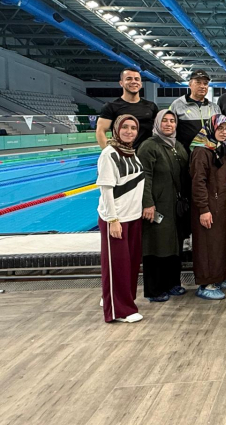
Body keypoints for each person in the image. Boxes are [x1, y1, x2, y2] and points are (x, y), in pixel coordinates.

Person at [96, 114, 145, 323]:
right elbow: (106, 189)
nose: (129, 131)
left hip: (133, 216)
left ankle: (121, 300)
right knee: (117, 266)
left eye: (133, 128)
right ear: (116, 129)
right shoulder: (109, 154)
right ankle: (119, 311)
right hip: (117, 219)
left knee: (129, 265)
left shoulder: (131, 152)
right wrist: (113, 220)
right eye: (125, 127)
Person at [137, 110, 189, 303]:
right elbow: (144, 177)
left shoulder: (177, 146)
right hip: (157, 205)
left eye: (172, 121)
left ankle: (172, 283)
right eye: (164, 121)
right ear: (157, 123)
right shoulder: (149, 146)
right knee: (155, 246)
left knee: (173, 245)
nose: (168, 124)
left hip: (175, 206)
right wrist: (148, 203)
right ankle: (154, 290)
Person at [190, 114, 226, 300]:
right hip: (207, 207)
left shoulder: (219, 149)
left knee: (218, 244)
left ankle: (218, 277)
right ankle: (205, 283)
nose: (224, 132)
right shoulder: (201, 151)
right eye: (220, 128)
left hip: (220, 205)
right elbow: (198, 182)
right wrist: (203, 209)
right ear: (210, 129)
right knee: (207, 245)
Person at [97, 68, 159, 150]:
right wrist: (109, 153)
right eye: (129, 79)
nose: (133, 81)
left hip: (147, 154)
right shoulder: (111, 106)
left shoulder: (151, 106)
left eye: (137, 79)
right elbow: (100, 131)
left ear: (141, 84)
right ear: (121, 83)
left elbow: (159, 130)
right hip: (123, 154)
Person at [170, 70, 221, 152]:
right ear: (190, 85)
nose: (202, 86)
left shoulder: (214, 108)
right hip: (185, 154)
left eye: (205, 83)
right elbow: (169, 130)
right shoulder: (177, 105)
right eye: (198, 82)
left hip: (209, 154)